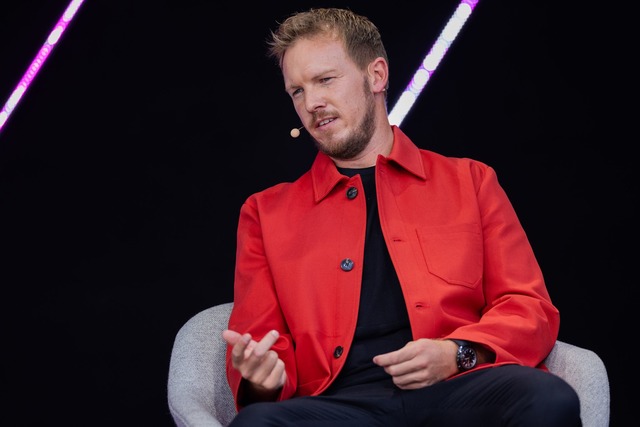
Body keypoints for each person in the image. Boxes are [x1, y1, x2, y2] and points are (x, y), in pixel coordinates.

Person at [222, 7, 581, 427]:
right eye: (296, 91)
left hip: (457, 391)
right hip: (341, 407)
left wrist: (456, 354)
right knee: (256, 424)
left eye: (325, 80)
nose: (312, 102)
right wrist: (263, 378)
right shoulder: (265, 213)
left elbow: (528, 307)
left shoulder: (471, 181)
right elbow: (261, 341)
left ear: (376, 76)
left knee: (549, 399)